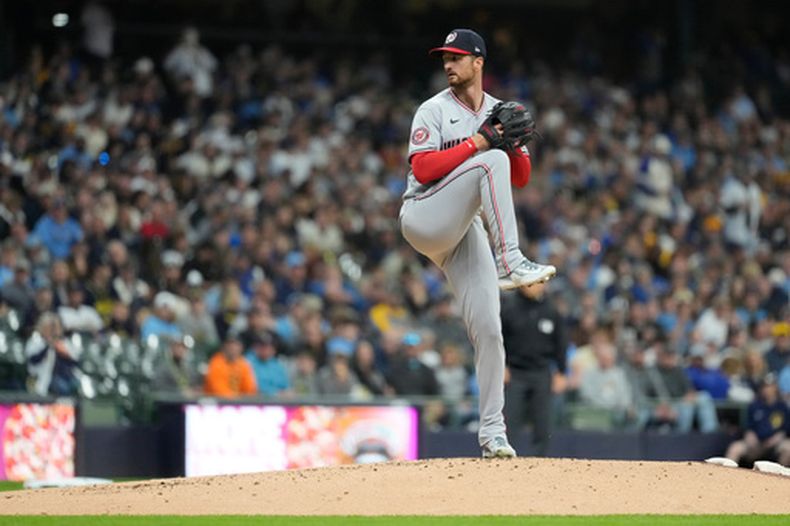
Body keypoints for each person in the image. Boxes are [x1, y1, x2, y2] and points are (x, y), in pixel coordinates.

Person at [398, 28, 556, 458]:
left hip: (463, 231)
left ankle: (492, 434)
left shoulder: (499, 112)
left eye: (456, 57)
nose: (448, 64)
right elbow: (425, 168)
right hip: (425, 214)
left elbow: (520, 177)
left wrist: (514, 143)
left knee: (489, 328)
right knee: (486, 160)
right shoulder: (432, 110)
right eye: (444, 58)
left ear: (478, 62)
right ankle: (511, 260)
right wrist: (483, 141)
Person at [501, 281, 568, 456]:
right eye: (531, 283)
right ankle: (505, 458)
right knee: (509, 419)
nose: (536, 286)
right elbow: (498, 340)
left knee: (543, 422)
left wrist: (561, 372)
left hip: (542, 372)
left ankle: (541, 461)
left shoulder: (552, 311)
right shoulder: (509, 309)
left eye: (539, 283)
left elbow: (561, 343)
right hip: (515, 372)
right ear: (522, 284)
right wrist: (502, 366)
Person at [725, 374, 790, 467]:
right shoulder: (755, 405)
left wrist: (778, 437)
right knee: (735, 448)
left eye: (769, 386)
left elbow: (785, 429)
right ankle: (726, 477)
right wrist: (750, 435)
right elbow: (748, 427)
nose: (766, 390)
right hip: (756, 444)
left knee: (788, 448)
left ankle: (780, 478)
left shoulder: (782, 407)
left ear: (775, 388)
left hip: (775, 444)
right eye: (764, 387)